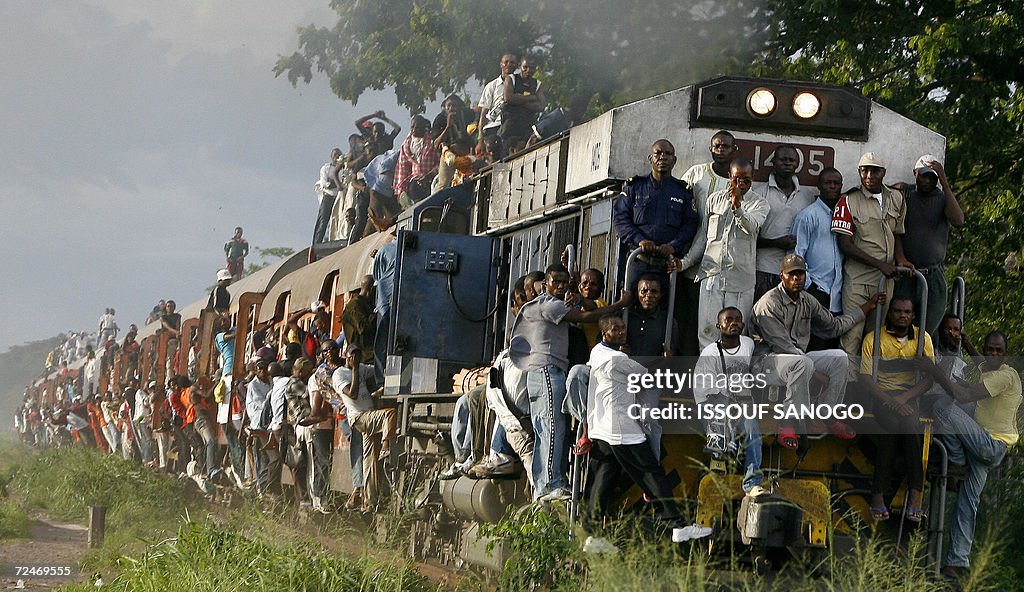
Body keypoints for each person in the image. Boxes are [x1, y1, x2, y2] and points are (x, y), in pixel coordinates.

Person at [509, 263, 632, 501]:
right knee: (553, 426)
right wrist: (621, 303)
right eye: (557, 281)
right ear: (545, 284)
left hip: (544, 370)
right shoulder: (549, 304)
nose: (562, 286)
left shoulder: (549, 303)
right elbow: (587, 316)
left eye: (565, 282)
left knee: (547, 429)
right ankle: (552, 483)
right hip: (547, 369)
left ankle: (545, 485)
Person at [587, 315, 714, 541]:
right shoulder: (618, 359)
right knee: (651, 473)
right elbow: (648, 377)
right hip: (622, 428)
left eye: (623, 328)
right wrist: (667, 360)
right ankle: (677, 525)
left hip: (603, 427)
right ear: (605, 333)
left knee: (604, 479)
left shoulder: (598, 352)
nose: (621, 332)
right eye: (615, 329)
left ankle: (592, 535)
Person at [751, 254, 886, 446]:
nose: (797, 278)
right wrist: (815, 372)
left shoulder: (807, 300)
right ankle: (788, 422)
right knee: (802, 362)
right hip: (766, 365)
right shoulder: (769, 302)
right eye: (792, 274)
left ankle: (825, 414)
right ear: (782, 276)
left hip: (798, 360)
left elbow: (834, 326)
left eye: (800, 274)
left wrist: (866, 307)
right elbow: (783, 346)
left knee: (840, 358)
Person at [917, 331, 1021, 579]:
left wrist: (933, 371)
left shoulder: (1005, 376)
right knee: (967, 504)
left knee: (943, 406)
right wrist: (969, 344)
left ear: (1006, 353)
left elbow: (963, 395)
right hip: (985, 445)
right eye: (989, 349)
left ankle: (956, 460)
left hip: (989, 445)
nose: (993, 354)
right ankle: (957, 562)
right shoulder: (996, 369)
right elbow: (982, 364)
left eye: (998, 350)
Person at [831, 152, 912, 362]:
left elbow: (897, 233)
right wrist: (880, 264)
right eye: (864, 170)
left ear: (883, 173)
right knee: (851, 337)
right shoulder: (847, 201)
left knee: (874, 338)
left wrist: (900, 259)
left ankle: (866, 389)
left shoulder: (897, 198)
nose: (869, 175)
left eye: (874, 170)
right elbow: (845, 245)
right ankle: (845, 389)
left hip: (886, 281)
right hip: (858, 281)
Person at [859, 296, 934, 521]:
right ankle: (878, 496)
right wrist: (889, 400)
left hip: (909, 396)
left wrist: (904, 398)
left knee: (911, 426)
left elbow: (930, 378)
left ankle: (915, 494)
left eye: (907, 312)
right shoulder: (873, 339)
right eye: (898, 311)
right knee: (890, 426)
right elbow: (865, 377)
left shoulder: (923, 339)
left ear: (913, 315)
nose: (902, 315)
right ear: (890, 313)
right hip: (882, 397)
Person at [695, 157, 769, 349]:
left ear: (753, 178)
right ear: (729, 176)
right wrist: (684, 262)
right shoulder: (714, 200)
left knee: (736, 335)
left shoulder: (760, 204)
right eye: (736, 179)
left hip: (740, 281)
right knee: (708, 333)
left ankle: (734, 376)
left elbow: (751, 227)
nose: (741, 184)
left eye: (746, 180)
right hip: (712, 277)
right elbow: (703, 238)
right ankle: (708, 376)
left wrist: (737, 206)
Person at [612, 139, 699, 297]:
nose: (663, 157)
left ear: (674, 160)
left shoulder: (683, 191)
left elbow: (690, 224)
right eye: (658, 153)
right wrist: (640, 240)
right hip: (637, 262)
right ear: (650, 159)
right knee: (628, 309)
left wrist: (673, 246)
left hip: (667, 266)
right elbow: (620, 219)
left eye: (668, 154)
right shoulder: (634, 187)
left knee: (667, 312)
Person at [693, 307, 765, 496]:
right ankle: (718, 464)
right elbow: (705, 393)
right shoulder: (710, 354)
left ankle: (752, 483)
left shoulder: (748, 344)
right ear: (719, 325)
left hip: (740, 405)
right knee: (721, 430)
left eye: (738, 320)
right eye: (729, 320)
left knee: (752, 429)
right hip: (713, 404)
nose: (734, 323)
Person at [679, 131, 738, 356]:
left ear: (734, 149)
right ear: (711, 148)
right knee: (691, 318)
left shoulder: (738, 180)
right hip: (693, 258)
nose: (721, 150)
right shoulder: (696, 173)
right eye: (717, 146)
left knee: (720, 321)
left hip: (722, 265)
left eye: (726, 146)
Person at [893, 155, 965, 333]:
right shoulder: (904, 193)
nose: (927, 180)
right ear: (915, 173)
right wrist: (900, 258)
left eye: (932, 177)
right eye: (923, 175)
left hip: (933, 275)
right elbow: (894, 231)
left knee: (927, 332)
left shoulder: (942, 198)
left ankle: (924, 360)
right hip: (907, 274)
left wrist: (945, 183)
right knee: (900, 328)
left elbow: (958, 220)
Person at [332, 344, 396, 513]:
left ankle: (369, 502)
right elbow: (351, 394)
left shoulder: (362, 368)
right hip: (359, 418)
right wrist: (354, 370)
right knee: (389, 415)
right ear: (346, 356)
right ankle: (386, 446)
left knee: (370, 461)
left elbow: (378, 371)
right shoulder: (339, 374)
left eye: (357, 355)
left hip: (368, 416)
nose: (355, 358)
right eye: (352, 355)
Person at [792, 168, 846, 350]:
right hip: (816, 291)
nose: (832, 186)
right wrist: (809, 287)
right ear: (819, 186)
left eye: (836, 183)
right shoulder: (808, 216)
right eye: (827, 182)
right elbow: (795, 256)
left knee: (833, 350)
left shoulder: (844, 215)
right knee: (815, 348)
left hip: (838, 294)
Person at [753, 145, 815, 302]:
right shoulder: (759, 193)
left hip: (794, 273)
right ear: (773, 162)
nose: (787, 163)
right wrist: (776, 243)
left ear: (797, 164)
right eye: (783, 159)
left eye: (791, 160)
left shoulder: (807, 196)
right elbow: (749, 236)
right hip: (764, 268)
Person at [475, 53, 519, 157]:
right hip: (493, 128)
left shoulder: (519, 84)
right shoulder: (492, 86)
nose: (509, 65)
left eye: (512, 62)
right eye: (506, 62)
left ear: (516, 65)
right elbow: (483, 114)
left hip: (512, 126)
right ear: (501, 64)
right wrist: (480, 140)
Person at [499, 56, 545, 153]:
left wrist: (519, 100)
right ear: (520, 66)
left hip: (527, 126)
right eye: (525, 67)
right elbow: (508, 97)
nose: (528, 70)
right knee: (506, 154)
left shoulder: (537, 84)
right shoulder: (511, 79)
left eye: (532, 68)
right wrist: (532, 98)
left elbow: (541, 106)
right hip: (510, 126)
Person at [393, 115, 440, 207]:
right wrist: (400, 188)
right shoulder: (407, 144)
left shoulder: (432, 141)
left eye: (417, 127)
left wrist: (429, 176)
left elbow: (440, 162)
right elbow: (402, 167)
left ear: (424, 127)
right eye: (412, 127)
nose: (414, 129)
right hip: (415, 181)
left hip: (432, 179)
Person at [625, 276, 678, 357]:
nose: (649, 295)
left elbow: (674, 352)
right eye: (644, 291)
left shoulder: (668, 322)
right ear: (637, 293)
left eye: (654, 291)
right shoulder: (624, 317)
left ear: (660, 295)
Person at [313, 148, 343, 245]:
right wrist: (336, 183)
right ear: (331, 157)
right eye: (335, 155)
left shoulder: (343, 169)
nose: (337, 157)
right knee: (323, 221)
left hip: (339, 198)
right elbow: (325, 184)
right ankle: (316, 243)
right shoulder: (326, 168)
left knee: (337, 221)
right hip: (328, 197)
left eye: (339, 155)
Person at [161, 300, 182, 378]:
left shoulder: (177, 316)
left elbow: (178, 324)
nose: (170, 308)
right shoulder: (163, 317)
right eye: (168, 306)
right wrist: (175, 331)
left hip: (176, 340)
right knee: (169, 360)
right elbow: (166, 326)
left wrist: (178, 333)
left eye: (172, 306)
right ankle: (170, 378)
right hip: (168, 342)